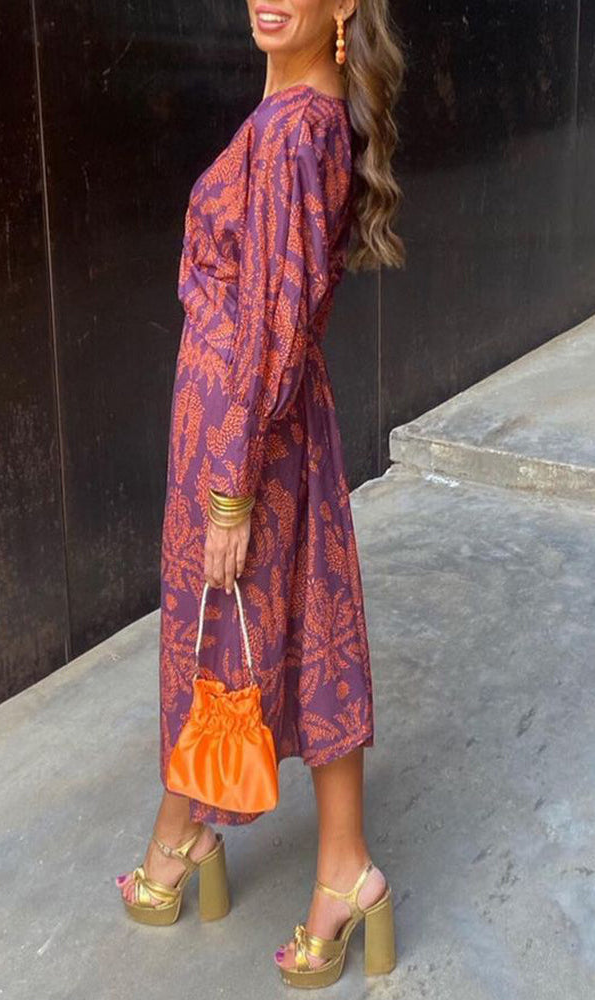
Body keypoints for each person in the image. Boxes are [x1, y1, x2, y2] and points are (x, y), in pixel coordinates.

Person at [116, 0, 405, 987]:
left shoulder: (292, 131)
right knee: (304, 624)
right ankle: (340, 867)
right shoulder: (301, 112)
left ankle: (182, 839)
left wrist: (230, 489)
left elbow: (269, 324)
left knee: (220, 634)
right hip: (271, 417)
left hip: (240, 430)